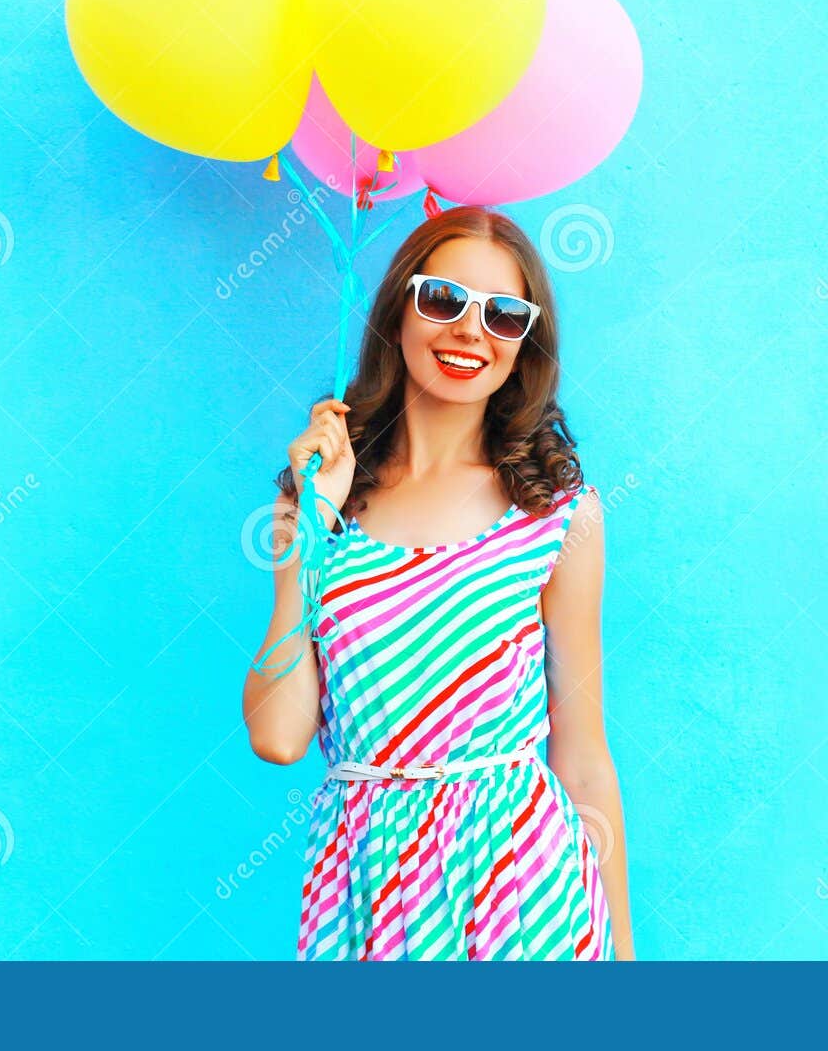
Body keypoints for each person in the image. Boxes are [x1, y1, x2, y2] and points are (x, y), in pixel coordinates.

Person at [242, 204, 633, 960]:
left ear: (525, 345)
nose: (469, 331)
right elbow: (278, 737)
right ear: (400, 309)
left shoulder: (556, 514)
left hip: (528, 897)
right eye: (444, 300)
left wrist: (624, 956)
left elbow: (582, 753)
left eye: (504, 315)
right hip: (367, 895)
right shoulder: (323, 501)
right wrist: (305, 537)